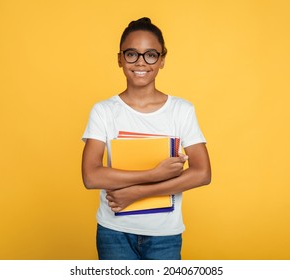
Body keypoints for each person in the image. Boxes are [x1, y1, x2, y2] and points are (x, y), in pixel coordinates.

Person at [81, 17, 211, 260]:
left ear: (162, 60)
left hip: (165, 235)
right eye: (132, 54)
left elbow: (202, 173)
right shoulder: (104, 111)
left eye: (151, 54)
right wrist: (153, 174)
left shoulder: (181, 110)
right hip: (114, 232)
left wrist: (136, 192)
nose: (141, 62)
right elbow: (91, 176)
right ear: (119, 58)